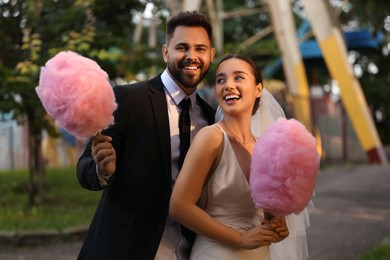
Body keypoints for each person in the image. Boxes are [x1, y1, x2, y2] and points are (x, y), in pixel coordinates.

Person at [76, 11, 216, 260]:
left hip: (187, 251)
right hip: (124, 250)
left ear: (211, 55)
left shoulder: (211, 117)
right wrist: (102, 171)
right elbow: (85, 167)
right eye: (182, 47)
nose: (192, 56)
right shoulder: (128, 99)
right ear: (165, 52)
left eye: (200, 48)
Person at [169, 54, 291, 259]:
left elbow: (267, 213)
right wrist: (240, 239)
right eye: (221, 80)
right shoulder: (211, 137)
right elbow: (179, 206)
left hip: (259, 253)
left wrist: (277, 226)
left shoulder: (265, 149)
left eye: (239, 78)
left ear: (258, 89)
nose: (228, 85)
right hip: (217, 252)